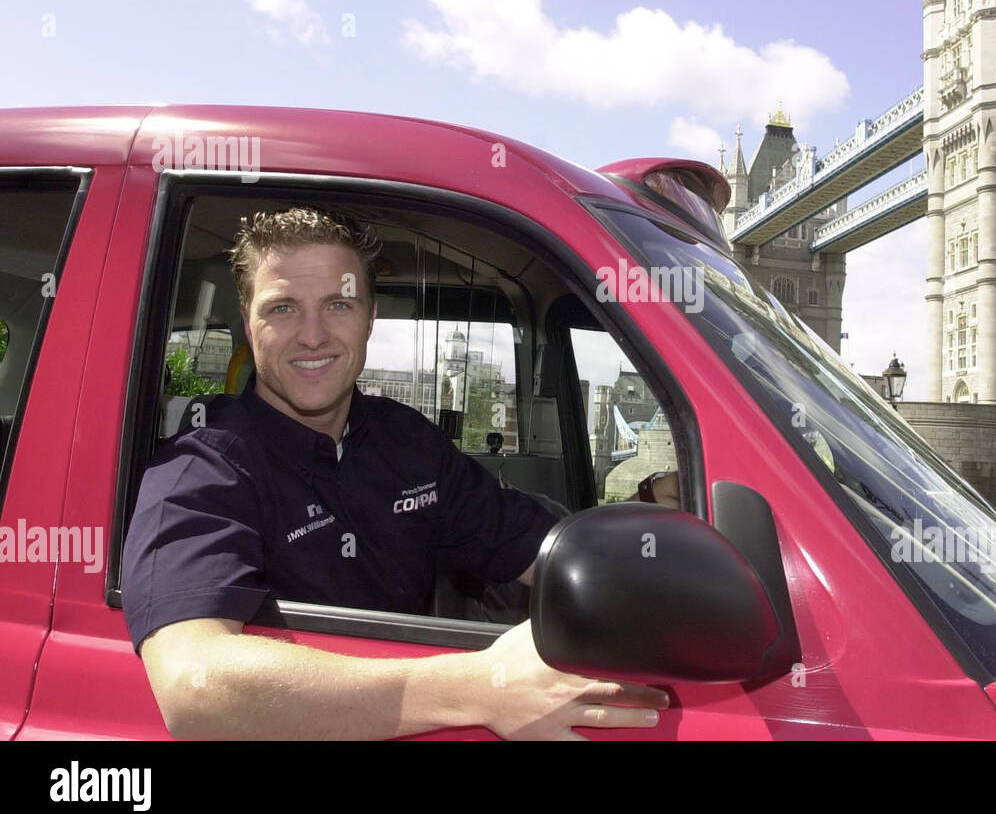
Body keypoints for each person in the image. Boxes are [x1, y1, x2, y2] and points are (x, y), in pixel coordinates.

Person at [122, 206, 668, 740]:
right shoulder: (202, 470)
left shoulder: (406, 442)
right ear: (249, 324)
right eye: (282, 308)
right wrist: (478, 688)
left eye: (338, 303)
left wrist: (649, 549)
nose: (313, 336)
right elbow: (195, 690)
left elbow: (534, 546)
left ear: (370, 316)